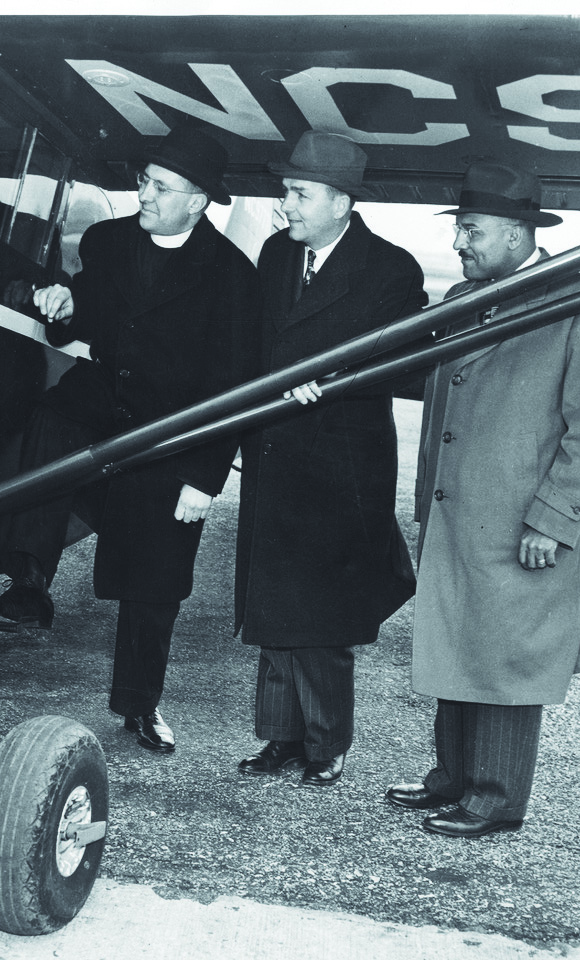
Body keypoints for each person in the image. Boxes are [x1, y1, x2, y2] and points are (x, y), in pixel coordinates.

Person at [0, 126, 260, 753]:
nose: (145, 195)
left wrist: (203, 479)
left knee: (154, 578)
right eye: (144, 182)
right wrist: (64, 303)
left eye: (162, 187)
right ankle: (28, 585)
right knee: (51, 416)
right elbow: (90, 318)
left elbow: (235, 385)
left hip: (173, 427)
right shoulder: (106, 241)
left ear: (199, 201)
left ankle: (139, 704)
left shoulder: (234, 277)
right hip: (105, 399)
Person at [386, 161, 580, 836]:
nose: (459, 243)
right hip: (460, 513)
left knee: (506, 660)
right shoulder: (471, 295)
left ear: (519, 233)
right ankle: (452, 780)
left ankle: (494, 799)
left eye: (473, 230)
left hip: (522, 522)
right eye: (461, 229)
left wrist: (552, 520)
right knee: (458, 645)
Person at [234, 131, 428, 787]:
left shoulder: (391, 269)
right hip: (274, 454)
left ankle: (326, 743)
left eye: (299, 193)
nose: (285, 204)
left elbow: (407, 366)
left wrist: (339, 376)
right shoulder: (275, 255)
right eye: (286, 190)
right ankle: (281, 739)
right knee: (271, 608)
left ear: (343, 201)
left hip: (338, 467)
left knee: (320, 616)